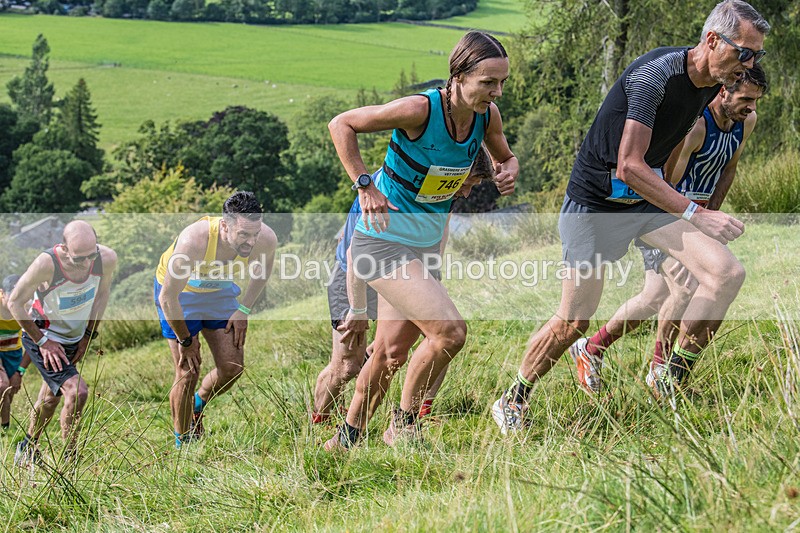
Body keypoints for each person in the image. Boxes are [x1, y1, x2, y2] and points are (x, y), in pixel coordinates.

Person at [493, 0, 770, 434]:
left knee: (725, 274)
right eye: (744, 52)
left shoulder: (712, 84)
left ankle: (669, 378)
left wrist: (679, 202)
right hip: (595, 206)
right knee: (574, 322)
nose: (749, 64)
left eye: (757, 55)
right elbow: (628, 165)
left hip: (644, 204)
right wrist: (695, 213)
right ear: (713, 40)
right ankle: (513, 398)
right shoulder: (655, 76)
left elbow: (670, 147)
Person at [324, 30, 518, 450]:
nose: (497, 92)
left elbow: (505, 156)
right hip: (383, 243)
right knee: (450, 333)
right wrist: (364, 185)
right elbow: (342, 124)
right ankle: (404, 426)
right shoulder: (419, 110)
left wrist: (509, 170)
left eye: (502, 82)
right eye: (488, 82)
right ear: (458, 76)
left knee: (390, 354)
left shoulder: (487, 117)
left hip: (424, 247)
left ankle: (345, 441)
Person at [568, 64, 767, 394]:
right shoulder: (697, 127)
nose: (752, 107)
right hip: (664, 214)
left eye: (756, 100)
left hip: (697, 220)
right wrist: (686, 221)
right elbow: (666, 184)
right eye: (746, 99)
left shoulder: (746, 122)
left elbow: (729, 169)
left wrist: (709, 219)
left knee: (653, 296)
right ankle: (661, 371)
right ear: (723, 91)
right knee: (684, 287)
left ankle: (592, 348)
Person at [312, 148, 495, 425]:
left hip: (399, 267)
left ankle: (417, 415)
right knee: (347, 365)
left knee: (437, 332)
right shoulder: (395, 189)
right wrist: (357, 310)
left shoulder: (441, 189)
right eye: (467, 184)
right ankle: (320, 420)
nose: (467, 194)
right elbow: (354, 253)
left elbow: (440, 229)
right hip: (352, 272)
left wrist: (431, 277)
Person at [155, 191, 277, 448]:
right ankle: (183, 442)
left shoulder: (265, 239)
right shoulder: (193, 240)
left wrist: (243, 310)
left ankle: (197, 403)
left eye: (254, 234)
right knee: (187, 371)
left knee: (232, 367)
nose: (251, 241)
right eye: (243, 235)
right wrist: (186, 341)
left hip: (219, 292)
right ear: (224, 226)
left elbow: (262, 273)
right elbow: (168, 297)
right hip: (181, 296)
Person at [10, 221, 117, 465]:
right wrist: (43, 342)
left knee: (50, 400)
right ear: (64, 248)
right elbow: (15, 302)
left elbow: (102, 295)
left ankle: (27, 447)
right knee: (77, 391)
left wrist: (88, 335)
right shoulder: (46, 264)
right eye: (79, 259)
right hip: (44, 337)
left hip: (74, 339)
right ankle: (70, 459)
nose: (87, 264)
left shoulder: (106, 258)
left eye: (91, 256)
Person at [0, 275, 24, 432]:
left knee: (9, 393)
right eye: (12, 296)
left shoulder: (26, 308)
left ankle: (4, 428)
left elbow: (35, 340)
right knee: (2, 386)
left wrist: (19, 371)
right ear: (2, 293)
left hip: (14, 353)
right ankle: (5, 432)